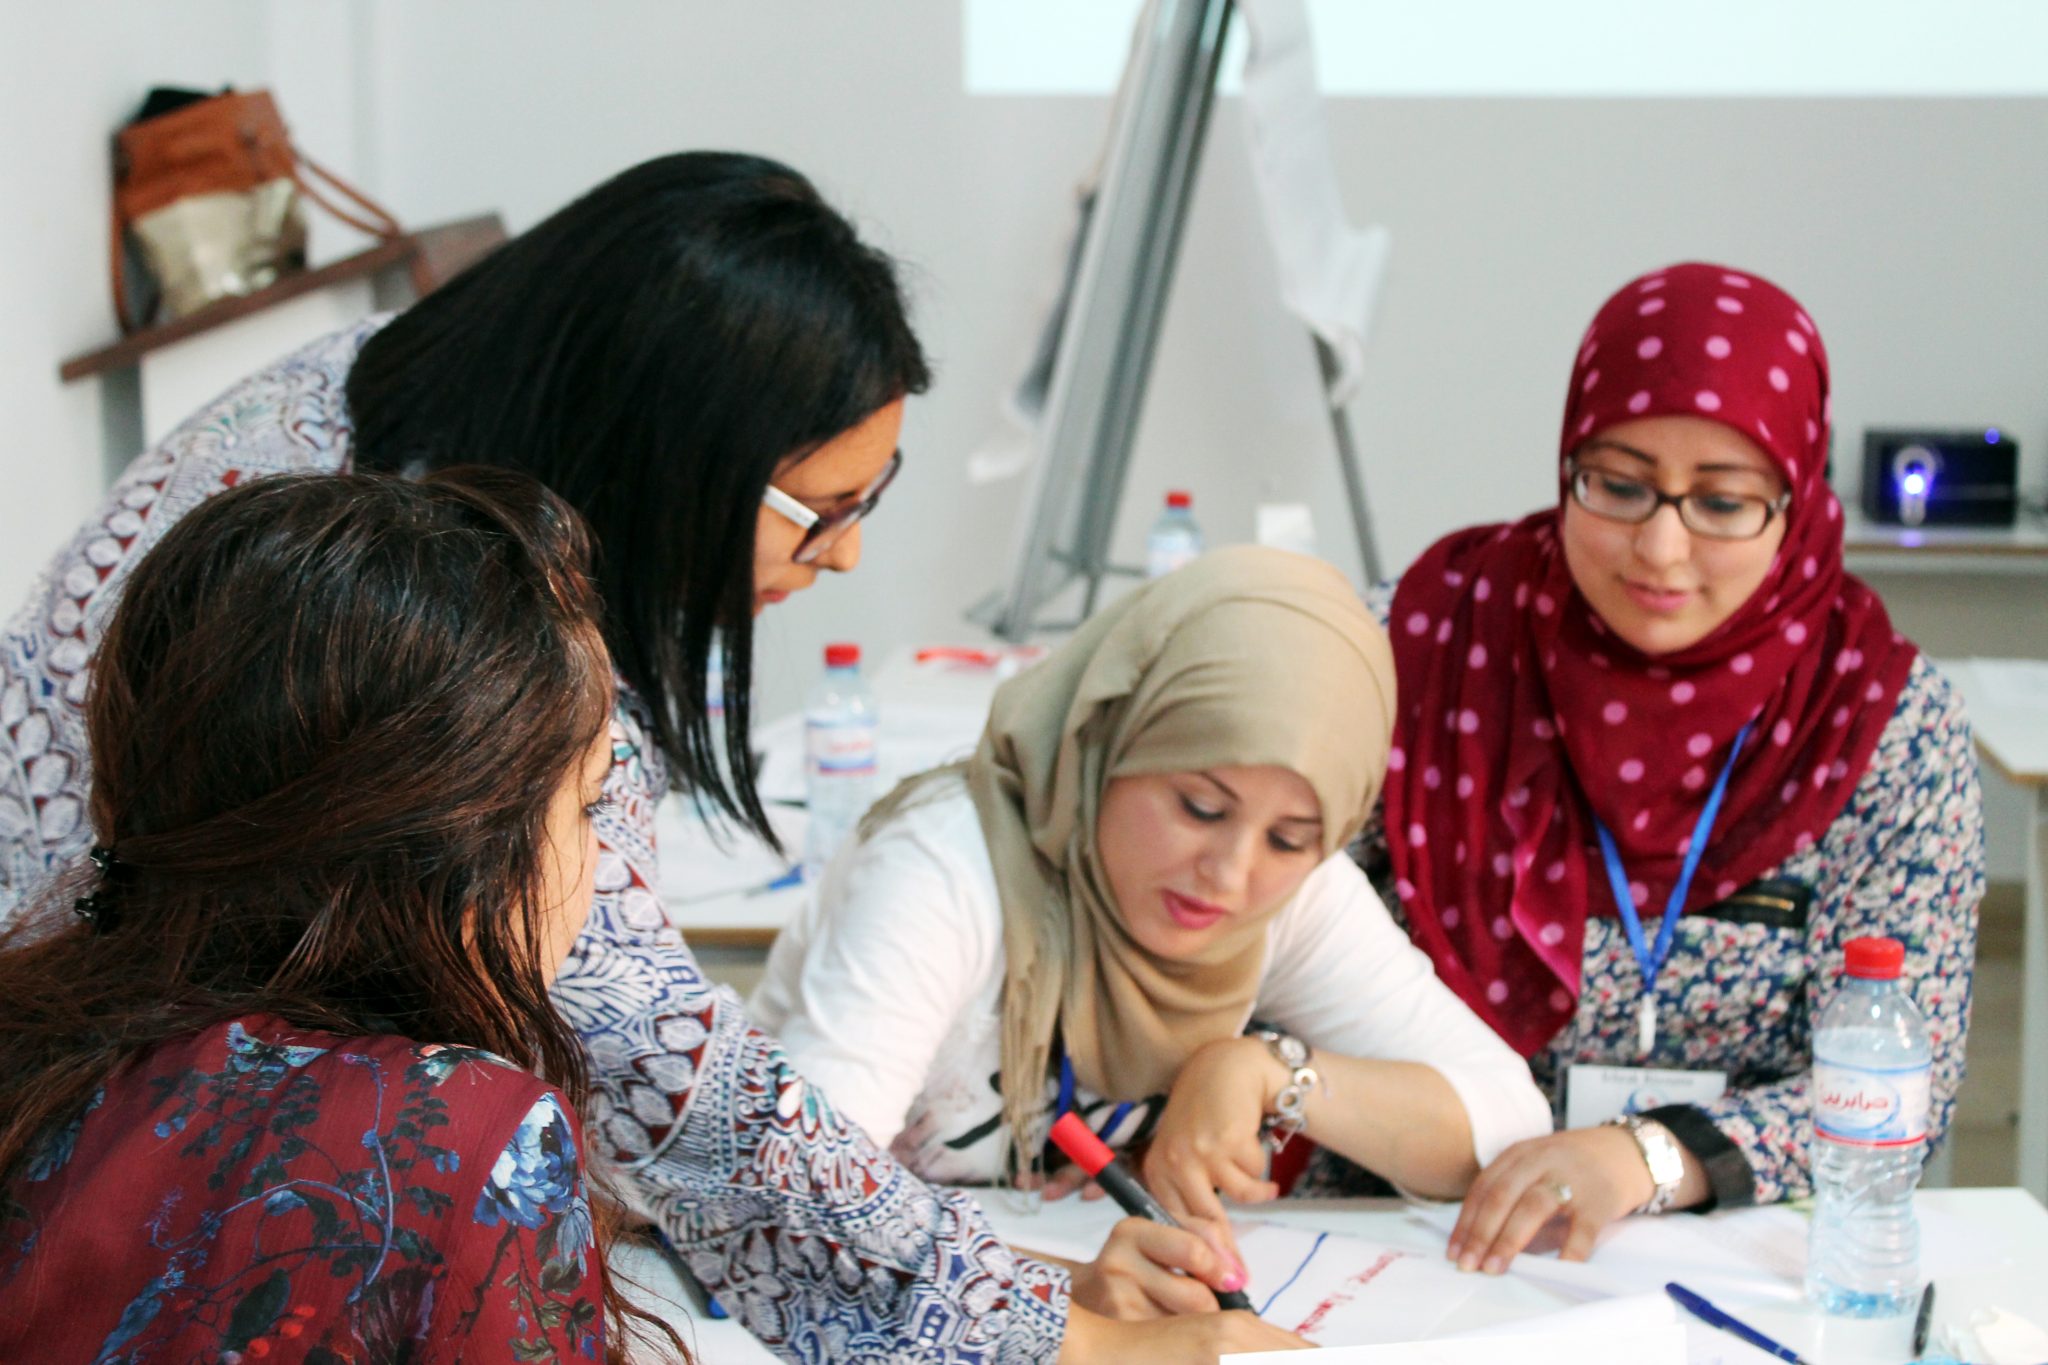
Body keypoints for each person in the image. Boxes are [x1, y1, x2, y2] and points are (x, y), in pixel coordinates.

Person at [0, 150, 1276, 1363]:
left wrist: (978, 1289)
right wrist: (1027, 1326)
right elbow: (656, 1049)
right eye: (822, 512)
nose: (844, 559)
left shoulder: (400, 429)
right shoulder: (439, 624)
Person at [1360, 262, 1985, 1274]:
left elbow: (1900, 1082)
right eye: (1616, 485)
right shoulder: (1428, 643)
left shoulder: (1873, 716)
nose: (1656, 547)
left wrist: (1647, 1158)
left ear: (1794, 498)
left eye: (1721, 504)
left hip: (1734, 1253)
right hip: (1409, 1233)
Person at [752, 547, 1553, 1292]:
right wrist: (1059, 1295)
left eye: (1289, 838)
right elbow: (796, 1208)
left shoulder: (1292, 892)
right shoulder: (946, 862)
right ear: (1111, 739)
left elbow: (1507, 1122)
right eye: (1200, 807)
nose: (1233, 873)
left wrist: (1268, 1070)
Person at [0, 470, 664, 1361]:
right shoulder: (459, 1136)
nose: (598, 860)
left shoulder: (33, 1039)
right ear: (450, 844)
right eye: (585, 803)